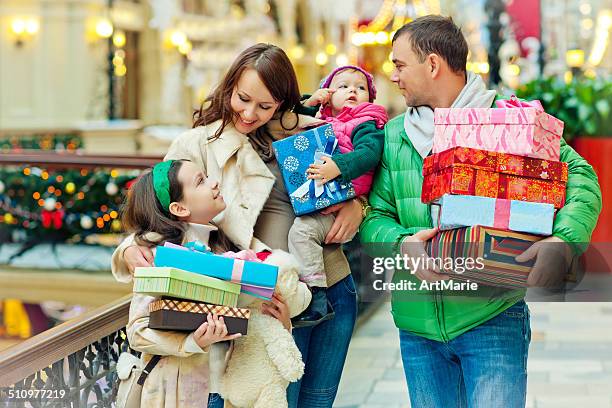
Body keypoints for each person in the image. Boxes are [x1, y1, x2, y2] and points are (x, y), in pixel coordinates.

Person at [360, 15, 602, 408]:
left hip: (492, 319)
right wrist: (403, 244)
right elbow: (373, 215)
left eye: (400, 65)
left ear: (433, 65)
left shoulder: (510, 120)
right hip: (418, 331)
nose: (394, 76)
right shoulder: (392, 135)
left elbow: (580, 175)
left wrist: (564, 240)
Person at [111, 43, 363, 408]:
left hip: (330, 287)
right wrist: (131, 248)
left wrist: (358, 206)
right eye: (243, 99)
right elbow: (160, 209)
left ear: (283, 101)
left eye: (265, 106)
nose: (249, 114)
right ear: (229, 86)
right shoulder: (196, 145)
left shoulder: (312, 131)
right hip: (258, 304)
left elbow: (357, 180)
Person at [117, 159, 249, 407]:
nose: (214, 182)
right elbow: (137, 332)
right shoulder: (159, 257)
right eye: (201, 181)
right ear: (179, 208)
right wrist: (191, 342)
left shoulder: (225, 249)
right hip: (179, 392)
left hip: (228, 389)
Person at [289, 65, 387, 325]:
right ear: (328, 95)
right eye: (342, 86)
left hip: (343, 198)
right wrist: (310, 104)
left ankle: (315, 295)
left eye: (360, 87)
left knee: (302, 233)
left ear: (370, 97)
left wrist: (338, 168)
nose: (352, 90)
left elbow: (369, 154)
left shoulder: (366, 122)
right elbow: (292, 123)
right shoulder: (325, 121)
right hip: (325, 196)